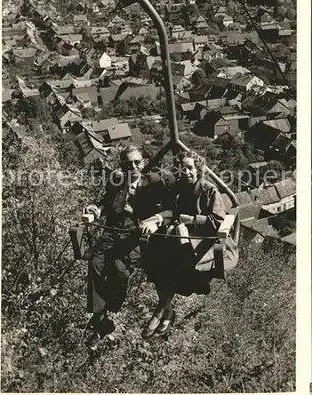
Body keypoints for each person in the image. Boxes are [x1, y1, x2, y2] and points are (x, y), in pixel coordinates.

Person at [142, 150, 238, 339]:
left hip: (206, 240)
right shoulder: (178, 188)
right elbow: (171, 211)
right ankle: (167, 311)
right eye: (182, 168)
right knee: (157, 256)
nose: (186, 172)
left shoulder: (209, 189)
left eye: (190, 168)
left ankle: (161, 312)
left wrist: (193, 220)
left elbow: (218, 221)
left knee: (175, 261)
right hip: (182, 237)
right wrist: (157, 219)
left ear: (198, 169)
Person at [84, 144, 171, 348]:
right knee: (95, 261)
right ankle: (100, 319)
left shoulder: (154, 183)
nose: (133, 166)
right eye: (127, 163)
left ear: (143, 162)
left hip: (137, 235)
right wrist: (96, 209)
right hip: (114, 231)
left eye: (136, 162)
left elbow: (170, 209)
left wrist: (155, 219)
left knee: (118, 268)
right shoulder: (117, 181)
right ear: (122, 166)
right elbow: (106, 203)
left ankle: (110, 310)